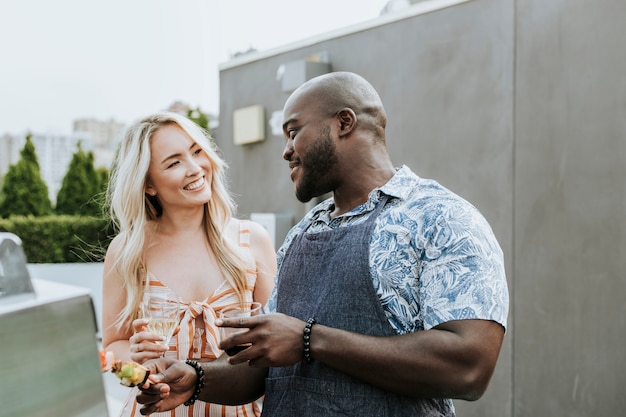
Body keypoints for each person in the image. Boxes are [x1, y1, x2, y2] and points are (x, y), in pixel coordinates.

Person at [135, 72, 509, 417]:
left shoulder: (441, 218)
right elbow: (262, 369)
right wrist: (196, 377)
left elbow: (469, 367)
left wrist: (311, 340)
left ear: (343, 123)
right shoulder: (302, 234)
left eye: (294, 131)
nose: (286, 150)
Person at [101, 111, 276, 416]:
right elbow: (114, 346)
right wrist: (135, 355)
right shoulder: (128, 250)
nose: (195, 168)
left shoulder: (252, 240)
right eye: (174, 163)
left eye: (197, 152)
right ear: (148, 185)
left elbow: (272, 348)